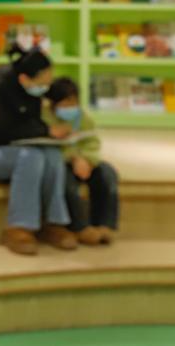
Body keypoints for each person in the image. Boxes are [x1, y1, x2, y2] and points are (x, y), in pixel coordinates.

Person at [0, 46, 76, 256]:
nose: (45, 89)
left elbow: (28, 125)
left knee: (53, 155)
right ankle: (19, 227)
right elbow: (4, 131)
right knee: (31, 156)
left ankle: (54, 222)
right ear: (25, 79)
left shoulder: (27, 89)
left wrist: (49, 134)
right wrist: (47, 131)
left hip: (9, 150)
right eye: (42, 84)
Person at [43, 77, 119, 246]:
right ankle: (80, 227)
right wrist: (73, 158)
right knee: (67, 185)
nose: (70, 108)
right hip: (61, 162)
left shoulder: (82, 118)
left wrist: (87, 160)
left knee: (107, 175)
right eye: (65, 103)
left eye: (74, 102)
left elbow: (92, 142)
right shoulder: (44, 119)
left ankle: (105, 225)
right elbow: (48, 148)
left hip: (84, 161)